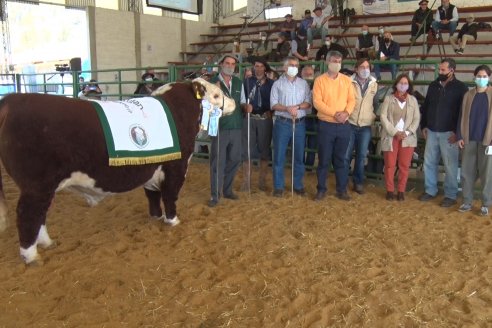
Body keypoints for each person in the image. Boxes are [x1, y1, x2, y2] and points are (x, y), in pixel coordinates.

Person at [419, 58, 469, 207]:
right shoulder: (433, 85)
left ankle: (451, 194)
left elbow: (463, 112)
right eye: (439, 69)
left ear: (452, 71)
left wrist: (458, 133)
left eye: (443, 70)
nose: (440, 72)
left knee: (450, 165)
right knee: (429, 162)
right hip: (432, 131)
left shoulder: (461, 88)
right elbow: (426, 106)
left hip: (450, 134)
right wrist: (424, 126)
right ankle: (430, 190)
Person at [313, 50, 356, 201]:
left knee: (341, 159)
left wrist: (346, 113)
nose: (336, 64)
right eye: (334, 61)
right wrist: (336, 114)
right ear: (327, 62)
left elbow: (352, 100)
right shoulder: (319, 80)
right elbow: (317, 102)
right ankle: (321, 189)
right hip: (326, 125)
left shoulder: (347, 80)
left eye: (339, 61)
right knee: (324, 159)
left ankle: (341, 189)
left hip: (343, 124)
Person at [270, 56, 312, 197]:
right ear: (285, 67)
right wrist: (287, 108)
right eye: (291, 65)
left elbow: (308, 102)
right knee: (279, 156)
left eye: (296, 65)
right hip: (282, 123)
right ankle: (278, 186)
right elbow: (273, 104)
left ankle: (298, 185)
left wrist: (298, 106)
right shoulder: (277, 84)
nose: (294, 67)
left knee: (299, 156)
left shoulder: (303, 84)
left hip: (299, 124)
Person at [208, 54, 243, 207]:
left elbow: (242, 102)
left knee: (234, 159)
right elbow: (206, 104)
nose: (230, 66)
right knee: (218, 162)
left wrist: (246, 107)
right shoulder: (211, 82)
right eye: (227, 63)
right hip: (220, 127)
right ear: (221, 64)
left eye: (233, 64)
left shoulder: (238, 82)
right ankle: (215, 195)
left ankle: (227, 190)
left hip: (236, 126)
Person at [456, 65, 492, 216]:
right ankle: (467, 201)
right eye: (479, 76)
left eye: (484, 76)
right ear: (474, 77)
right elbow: (461, 116)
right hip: (469, 138)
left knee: (487, 174)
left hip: (488, 140)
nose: (481, 79)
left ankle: (486, 203)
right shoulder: (468, 95)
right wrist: (459, 136)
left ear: (489, 78)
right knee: (466, 172)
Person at [380, 74, 421, 201]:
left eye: (405, 83)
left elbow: (416, 118)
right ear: (396, 84)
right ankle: (390, 190)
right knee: (390, 165)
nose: (403, 85)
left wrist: (408, 132)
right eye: (401, 82)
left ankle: (401, 190)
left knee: (404, 166)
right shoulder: (388, 98)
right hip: (391, 136)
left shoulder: (413, 100)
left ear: (409, 86)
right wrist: (394, 132)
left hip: (407, 138)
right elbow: (383, 116)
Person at [240, 58, 275, 192]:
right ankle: (246, 181)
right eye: (256, 66)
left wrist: (271, 111)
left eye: (261, 66)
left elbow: (274, 100)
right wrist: (244, 107)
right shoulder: (247, 82)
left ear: (265, 68)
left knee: (264, 151)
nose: (258, 68)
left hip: (265, 118)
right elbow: (242, 99)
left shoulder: (272, 84)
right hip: (249, 118)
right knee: (246, 150)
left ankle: (262, 181)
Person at [346, 58, 378, 194]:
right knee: (346, 155)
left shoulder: (374, 84)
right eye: (362, 67)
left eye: (367, 67)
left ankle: (358, 182)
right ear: (356, 68)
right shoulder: (348, 82)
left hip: (365, 126)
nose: (365, 70)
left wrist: (372, 116)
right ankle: (343, 180)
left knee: (361, 156)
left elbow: (375, 103)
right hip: (350, 123)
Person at [301, 65, 317, 169]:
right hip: (301, 117)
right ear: (301, 75)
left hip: (314, 118)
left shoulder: (317, 86)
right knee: (300, 143)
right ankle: (300, 165)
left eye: (310, 74)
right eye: (306, 74)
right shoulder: (297, 85)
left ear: (314, 75)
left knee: (312, 143)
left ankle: (309, 167)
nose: (308, 76)